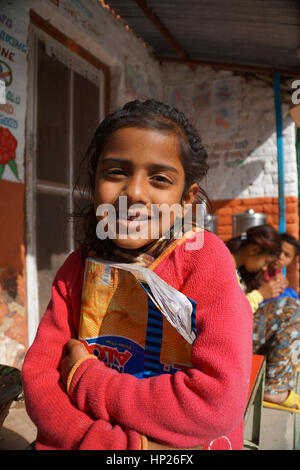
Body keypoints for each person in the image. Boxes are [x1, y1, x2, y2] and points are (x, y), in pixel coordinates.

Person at [22, 99, 252, 450]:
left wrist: (86, 377)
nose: (135, 193)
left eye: (160, 179)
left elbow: (213, 405)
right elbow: (41, 383)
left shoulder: (204, 261)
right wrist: (114, 446)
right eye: (116, 172)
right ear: (93, 180)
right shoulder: (78, 267)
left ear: (187, 199)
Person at [227, 225, 300, 410]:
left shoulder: (238, 269)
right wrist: (261, 294)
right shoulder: (226, 266)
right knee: (291, 309)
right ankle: (275, 389)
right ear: (253, 250)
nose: (267, 266)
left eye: (287, 255)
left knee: (291, 306)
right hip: (229, 337)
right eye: (267, 260)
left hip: (237, 330)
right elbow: (229, 312)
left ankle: (277, 384)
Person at [261, 232, 300, 302]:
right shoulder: (260, 268)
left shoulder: (278, 272)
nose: (280, 256)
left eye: (287, 255)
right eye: (279, 251)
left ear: (292, 260)